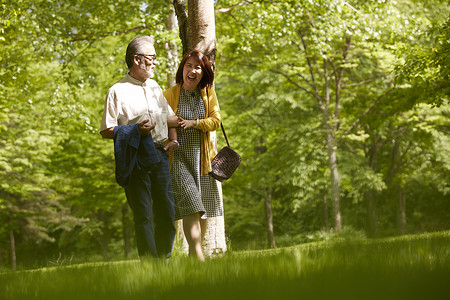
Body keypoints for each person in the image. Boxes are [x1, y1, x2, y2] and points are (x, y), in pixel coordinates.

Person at [100, 36, 179, 260]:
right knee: (143, 213)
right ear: (137, 60)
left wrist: (182, 133)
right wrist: (136, 131)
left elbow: (169, 119)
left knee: (166, 210)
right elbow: (107, 130)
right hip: (134, 156)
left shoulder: (155, 87)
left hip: (160, 154)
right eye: (151, 57)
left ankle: (164, 260)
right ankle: (150, 264)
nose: (155, 62)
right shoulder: (116, 91)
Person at [163, 50, 223, 261]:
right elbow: (161, 123)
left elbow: (216, 121)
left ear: (203, 71)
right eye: (189, 65)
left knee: (203, 207)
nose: (193, 70)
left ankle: (192, 255)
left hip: (203, 159)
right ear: (183, 68)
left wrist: (195, 123)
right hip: (178, 159)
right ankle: (198, 256)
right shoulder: (170, 94)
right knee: (191, 204)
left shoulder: (208, 93)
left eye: (197, 67)